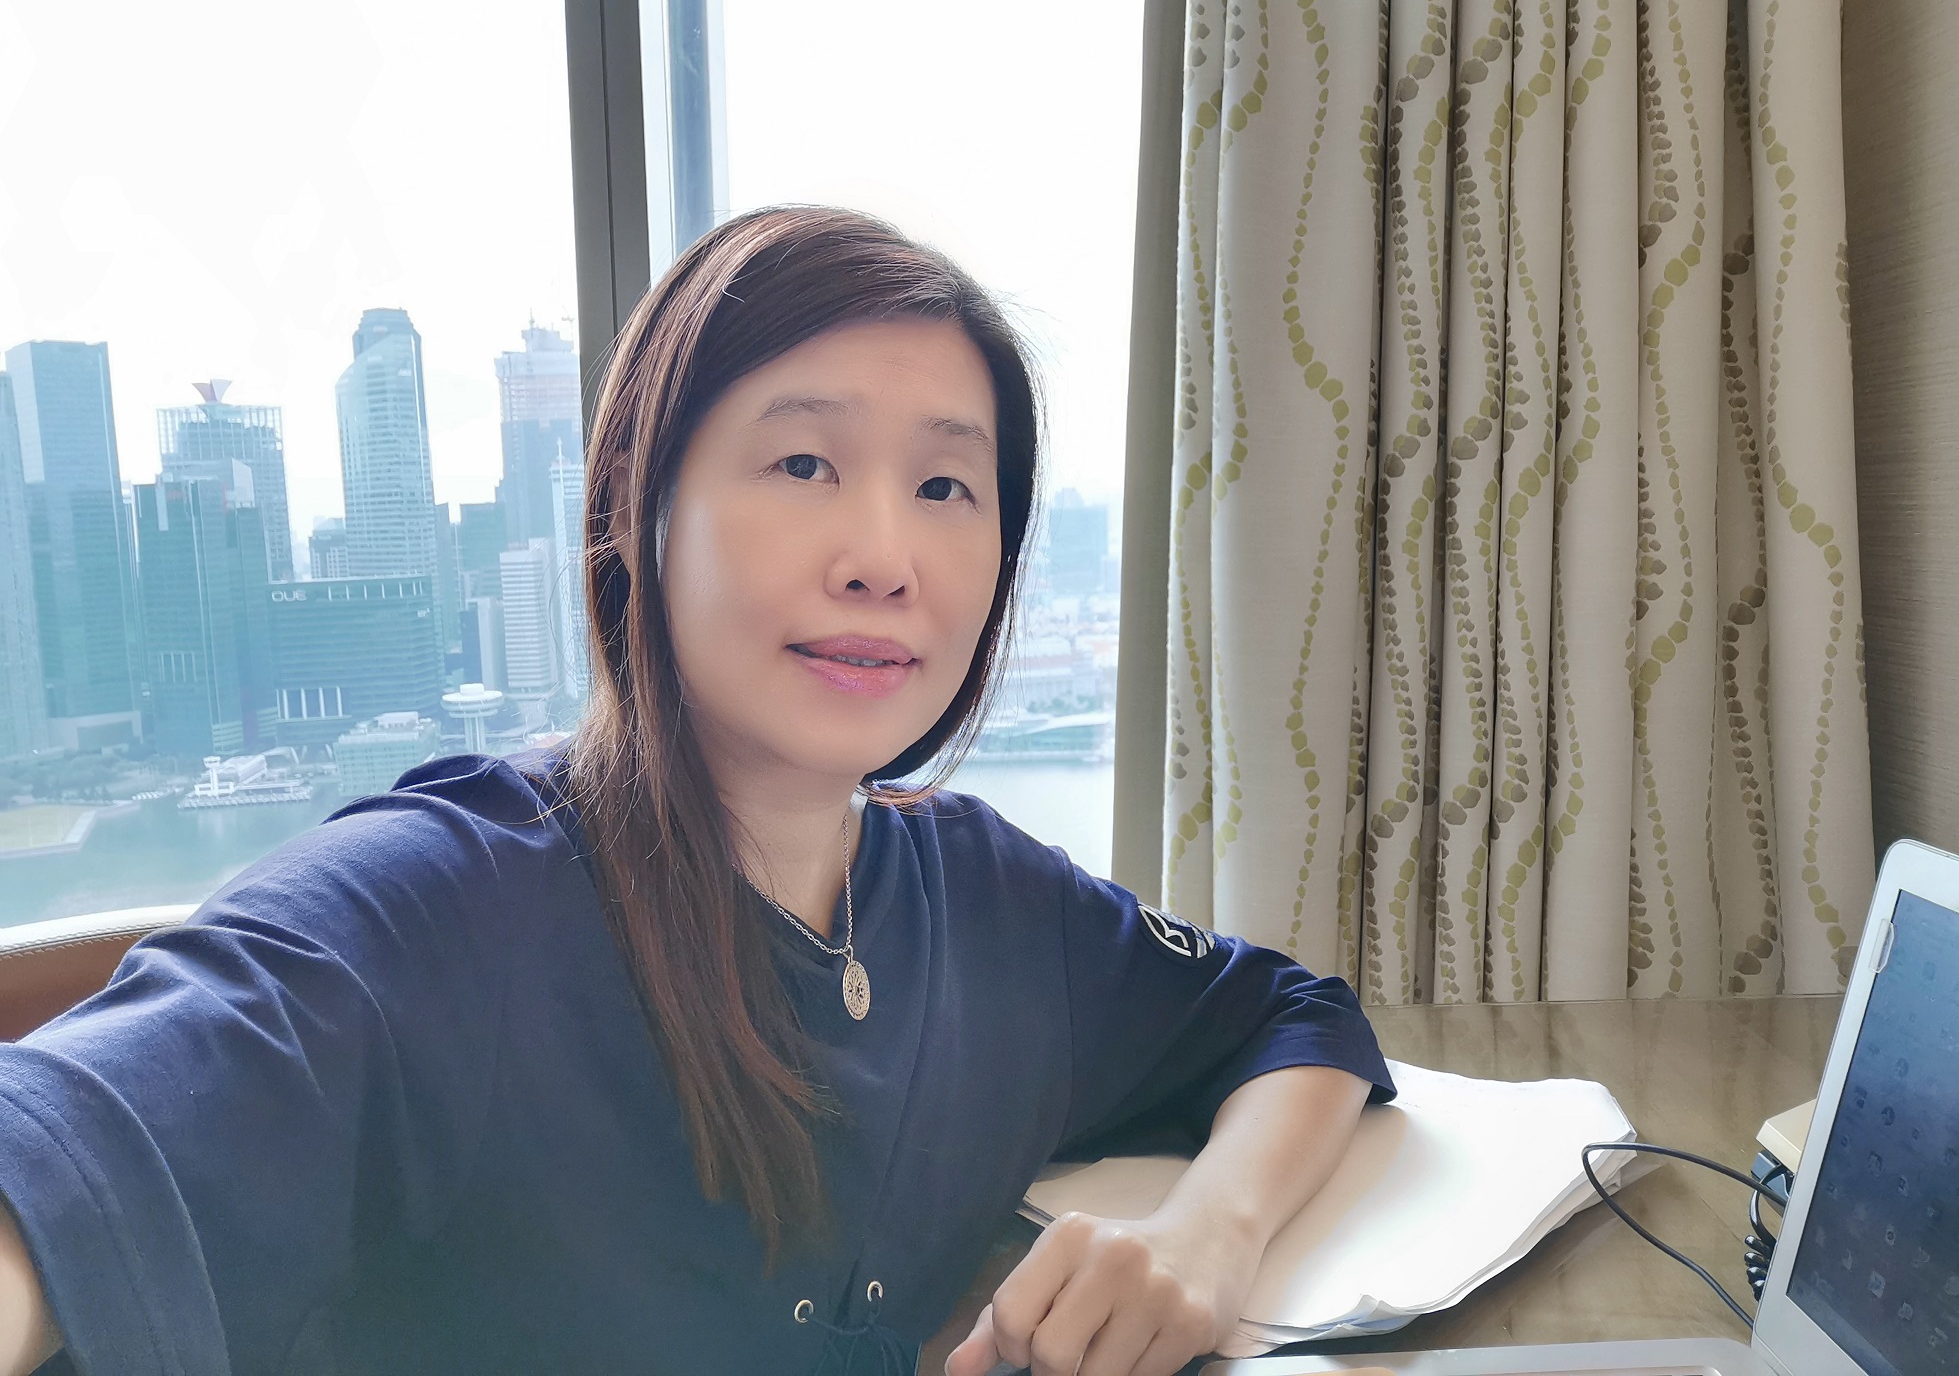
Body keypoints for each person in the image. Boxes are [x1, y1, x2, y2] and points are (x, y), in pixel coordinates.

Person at [0, 207, 1393, 1376]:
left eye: (949, 486)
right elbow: (78, 1150)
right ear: (632, 508)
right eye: (804, 463)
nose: (882, 554)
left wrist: (1207, 1235)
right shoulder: (447, 905)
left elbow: (1295, 1017)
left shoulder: (990, 904)